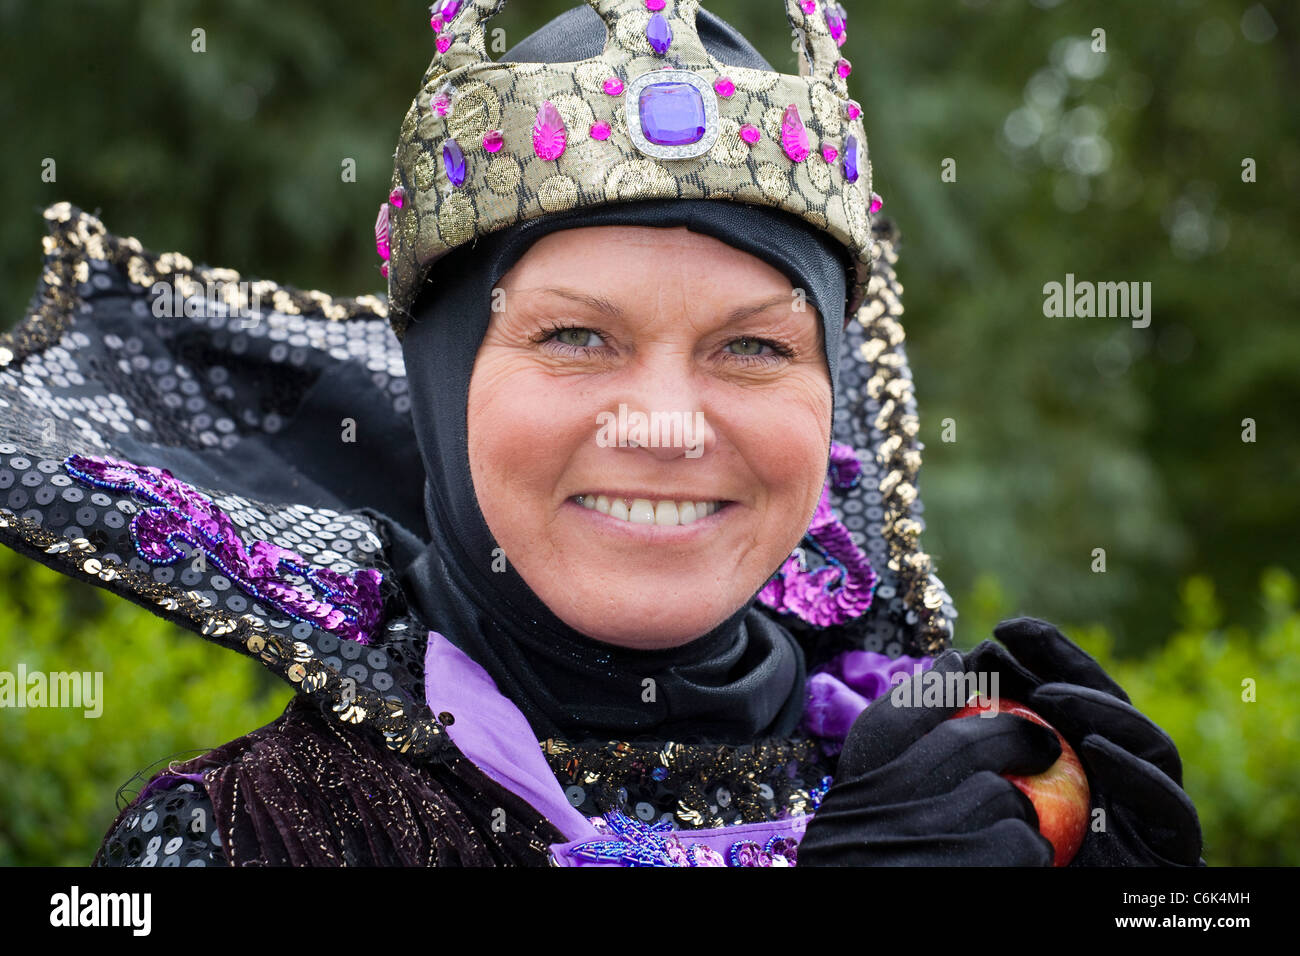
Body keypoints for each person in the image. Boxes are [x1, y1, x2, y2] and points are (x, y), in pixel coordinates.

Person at [0, 0, 1202, 867]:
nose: (666, 424)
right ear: (442, 383)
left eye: (753, 346)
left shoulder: (961, 784)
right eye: (576, 337)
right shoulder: (254, 834)